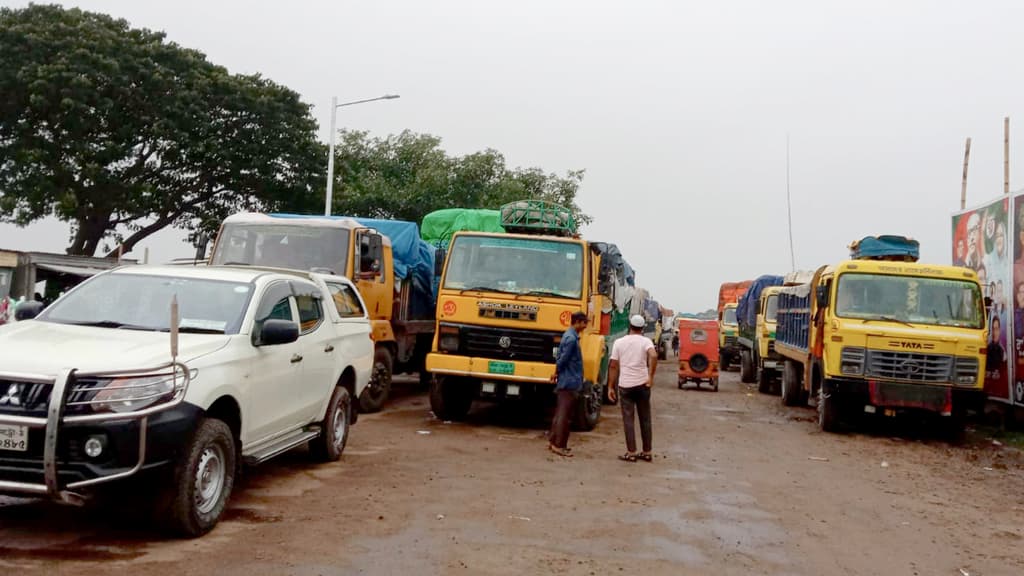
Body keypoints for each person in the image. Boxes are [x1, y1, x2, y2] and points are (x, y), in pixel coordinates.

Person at [608, 314, 658, 463]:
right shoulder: (646, 341)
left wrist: (610, 386)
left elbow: (613, 365)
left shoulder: (619, 342)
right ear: (642, 328)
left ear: (630, 325)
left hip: (626, 386)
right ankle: (647, 451)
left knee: (628, 420)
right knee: (645, 418)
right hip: (643, 384)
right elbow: (654, 356)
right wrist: (650, 376)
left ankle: (631, 452)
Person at [549, 311, 588, 458]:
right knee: (565, 415)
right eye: (584, 323)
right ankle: (559, 445)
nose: (585, 326)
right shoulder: (572, 339)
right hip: (569, 380)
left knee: (560, 413)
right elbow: (563, 359)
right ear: (578, 322)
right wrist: (556, 372)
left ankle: (553, 441)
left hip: (567, 379)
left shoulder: (568, 335)